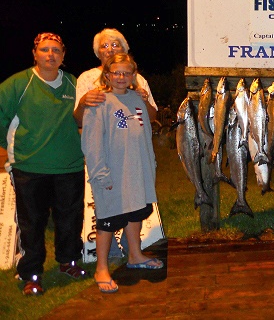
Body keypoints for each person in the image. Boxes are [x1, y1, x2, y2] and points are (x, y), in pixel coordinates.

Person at [0, 33, 87, 296]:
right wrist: (8, 155)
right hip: (29, 166)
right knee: (32, 223)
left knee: (70, 219)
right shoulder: (17, 84)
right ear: (35, 53)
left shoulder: (74, 84)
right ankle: (31, 273)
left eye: (56, 50)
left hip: (69, 166)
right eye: (45, 50)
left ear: (63, 56)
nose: (50, 55)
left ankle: (68, 262)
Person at [81, 53, 163, 294]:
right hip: (111, 174)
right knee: (108, 220)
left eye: (126, 73)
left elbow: (146, 130)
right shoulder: (99, 103)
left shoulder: (136, 99)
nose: (120, 77)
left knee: (135, 212)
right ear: (106, 75)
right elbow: (91, 143)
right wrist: (100, 174)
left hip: (137, 171)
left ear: (133, 76)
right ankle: (102, 267)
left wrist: (150, 167)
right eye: (115, 72)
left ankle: (135, 255)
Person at [74, 28, 157, 259]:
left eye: (115, 45)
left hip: (134, 159)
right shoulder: (88, 80)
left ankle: (134, 253)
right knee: (108, 210)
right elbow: (81, 120)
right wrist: (83, 102)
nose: (110, 49)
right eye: (105, 46)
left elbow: (149, 117)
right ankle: (105, 260)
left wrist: (141, 97)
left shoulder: (137, 81)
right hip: (107, 157)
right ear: (108, 76)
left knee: (136, 206)